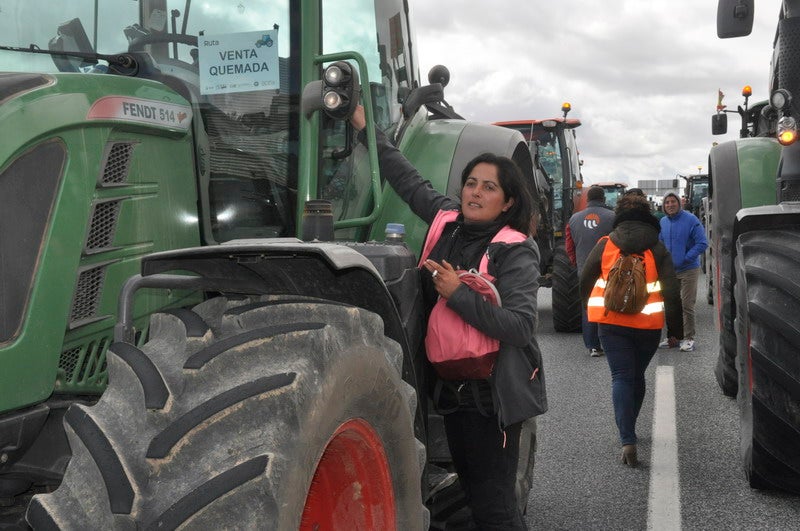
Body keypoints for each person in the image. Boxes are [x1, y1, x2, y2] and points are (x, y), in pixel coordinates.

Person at [350, 106, 545, 529]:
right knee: (475, 501)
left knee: (496, 509)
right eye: (471, 183)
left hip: (491, 399)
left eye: (489, 188)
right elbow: (406, 180)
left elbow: (520, 326)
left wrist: (458, 295)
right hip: (453, 395)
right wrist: (368, 130)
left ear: (507, 201)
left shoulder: (516, 249)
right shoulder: (448, 223)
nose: (475, 192)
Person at [580, 194, 683, 466]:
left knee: (621, 377)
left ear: (619, 216)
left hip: (611, 323)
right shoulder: (657, 248)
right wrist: (676, 330)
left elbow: (585, 280)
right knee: (637, 376)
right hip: (648, 325)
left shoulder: (606, 244)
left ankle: (627, 439)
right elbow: (672, 292)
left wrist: (590, 313)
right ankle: (630, 424)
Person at [565, 185, 615, 357]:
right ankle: (609, 343)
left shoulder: (573, 219)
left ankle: (593, 345)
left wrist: (577, 263)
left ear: (587, 199)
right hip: (608, 270)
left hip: (584, 270)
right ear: (603, 199)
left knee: (588, 306)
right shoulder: (613, 217)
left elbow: (569, 246)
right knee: (610, 304)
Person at [658, 192, 708, 352]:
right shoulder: (663, 222)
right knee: (671, 305)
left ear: (679, 203)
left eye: (673, 202)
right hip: (670, 271)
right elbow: (660, 243)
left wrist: (686, 258)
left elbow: (702, 243)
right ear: (664, 206)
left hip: (688, 269)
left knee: (687, 304)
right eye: (667, 202)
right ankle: (672, 338)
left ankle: (688, 338)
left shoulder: (691, 219)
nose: (670, 205)